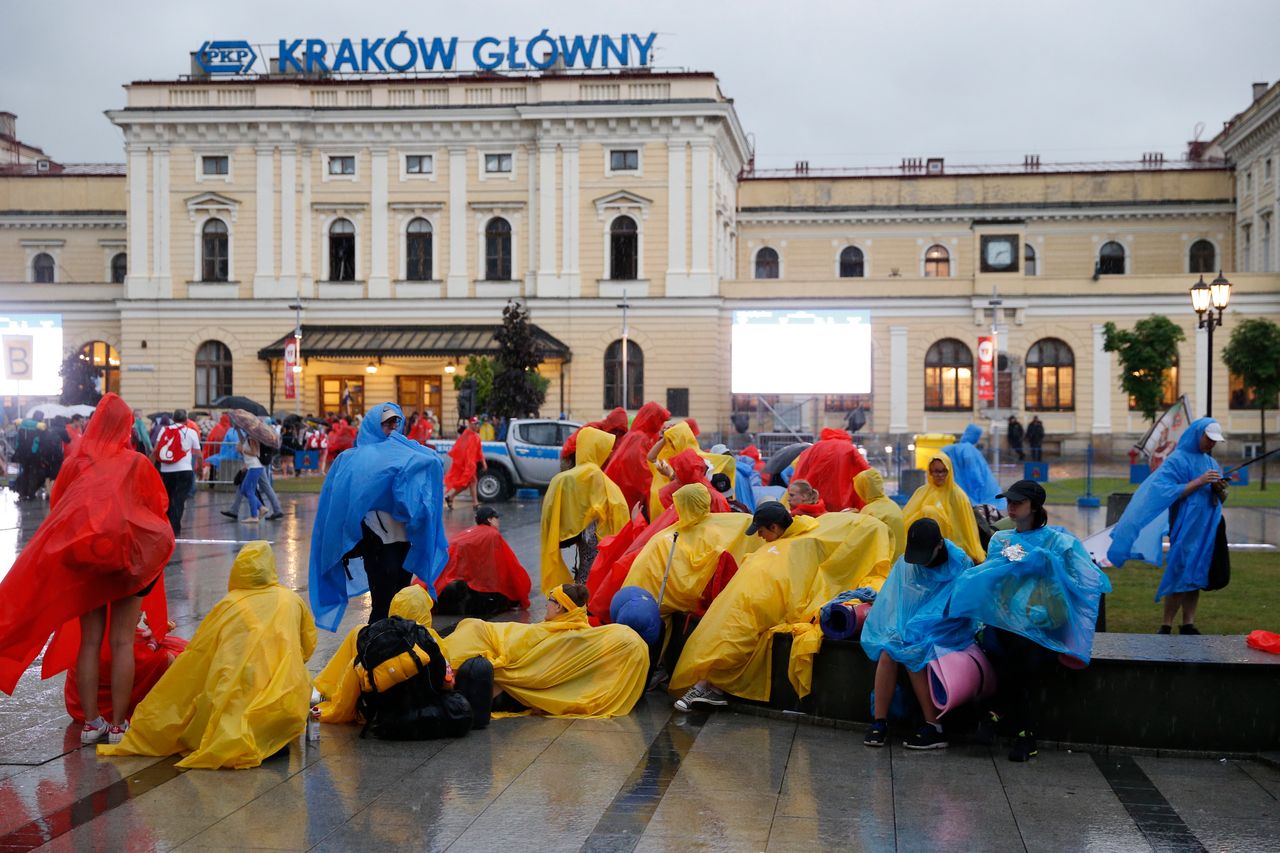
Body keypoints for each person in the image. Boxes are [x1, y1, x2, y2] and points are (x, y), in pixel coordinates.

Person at [0, 393, 175, 746]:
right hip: (129, 563)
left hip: (87, 563)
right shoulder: (136, 462)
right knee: (123, 640)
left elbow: (60, 509)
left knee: (90, 641)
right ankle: (118, 725)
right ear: (126, 428)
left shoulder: (75, 463)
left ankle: (91, 722)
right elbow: (158, 504)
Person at [99, 542, 317, 768]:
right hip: (285, 705)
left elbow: (200, 654)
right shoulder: (290, 599)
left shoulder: (229, 604)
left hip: (235, 699)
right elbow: (308, 646)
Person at [671, 502, 892, 711]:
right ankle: (708, 685)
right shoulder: (792, 537)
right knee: (728, 634)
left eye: (761, 531)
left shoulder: (805, 540)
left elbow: (859, 533)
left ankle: (706, 685)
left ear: (775, 527)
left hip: (764, 600)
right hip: (746, 598)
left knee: (735, 636)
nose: (759, 536)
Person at [950, 480, 1111, 761]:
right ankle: (1024, 732)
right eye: (1008, 502)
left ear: (1035, 507)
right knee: (1012, 653)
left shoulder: (1059, 543)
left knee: (1020, 653)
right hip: (1005, 622)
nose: (1010, 507)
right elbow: (994, 578)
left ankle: (995, 713)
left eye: (1017, 502)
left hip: (1042, 624)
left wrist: (1052, 565)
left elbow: (1088, 580)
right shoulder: (1001, 540)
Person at [309, 402, 449, 631]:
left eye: (396, 422)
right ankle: (375, 648)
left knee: (401, 598)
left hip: (403, 540)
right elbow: (342, 497)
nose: (393, 427)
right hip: (377, 541)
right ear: (374, 425)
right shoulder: (355, 458)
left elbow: (433, 463)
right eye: (387, 423)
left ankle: (397, 648)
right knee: (383, 601)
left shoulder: (408, 453)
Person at [441, 583, 650, 718]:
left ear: (559, 607)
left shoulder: (559, 635)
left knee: (473, 630)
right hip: (498, 656)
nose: (547, 605)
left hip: (498, 661)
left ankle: (442, 673)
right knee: (473, 630)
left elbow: (516, 650)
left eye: (550, 600)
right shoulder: (579, 631)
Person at [861, 518, 977, 750]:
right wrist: (904, 629)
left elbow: (958, 608)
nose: (920, 563)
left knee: (912, 652)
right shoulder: (908, 563)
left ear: (939, 545)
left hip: (951, 629)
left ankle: (934, 726)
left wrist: (918, 627)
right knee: (889, 650)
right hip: (914, 627)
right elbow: (895, 601)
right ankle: (879, 722)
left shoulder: (961, 564)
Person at [1107, 418, 1228, 635]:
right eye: (1209, 439)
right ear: (1197, 434)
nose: (1212, 444)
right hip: (1184, 528)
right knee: (1179, 570)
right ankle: (1166, 623)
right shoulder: (1177, 460)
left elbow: (1221, 498)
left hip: (1206, 529)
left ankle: (1188, 623)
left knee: (1196, 575)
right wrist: (1198, 482)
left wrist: (1219, 489)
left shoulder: (1211, 463)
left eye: (1215, 441)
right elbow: (1163, 491)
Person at [312, 584, 444, 724]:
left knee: (358, 634)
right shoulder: (431, 639)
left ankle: (323, 689)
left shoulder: (378, 637)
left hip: (376, 705)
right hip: (417, 708)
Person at [622, 483, 752, 617]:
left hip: (667, 612)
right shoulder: (728, 526)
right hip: (714, 607)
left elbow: (641, 577)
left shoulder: (664, 539)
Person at [540, 427, 630, 592]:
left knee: (585, 565)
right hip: (596, 533)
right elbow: (618, 508)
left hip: (581, 533)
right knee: (591, 568)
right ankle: (586, 600)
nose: (609, 453)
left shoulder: (567, 477)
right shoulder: (597, 477)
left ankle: (580, 596)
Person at [434, 505, 532, 615]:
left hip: (458, 579)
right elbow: (509, 564)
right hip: (479, 586)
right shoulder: (492, 534)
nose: (498, 521)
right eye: (496, 518)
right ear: (489, 519)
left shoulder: (468, 533)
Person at [903, 455, 985, 561]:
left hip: (952, 547)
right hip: (924, 547)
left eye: (944, 471)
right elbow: (907, 519)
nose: (940, 475)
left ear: (949, 471)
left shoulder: (958, 495)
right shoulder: (922, 492)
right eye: (936, 471)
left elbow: (967, 528)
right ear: (930, 472)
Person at [603, 401, 670, 511]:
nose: (661, 425)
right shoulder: (639, 439)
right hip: (626, 497)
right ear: (653, 420)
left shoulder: (636, 436)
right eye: (660, 421)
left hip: (621, 495)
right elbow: (642, 473)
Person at [790, 427, 871, 511]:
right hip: (841, 499)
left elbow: (801, 467)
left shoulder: (815, 447)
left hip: (815, 497)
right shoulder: (849, 448)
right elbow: (866, 471)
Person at [152, 408, 201, 536]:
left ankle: (168, 526)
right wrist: (199, 469)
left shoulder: (164, 430)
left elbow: (156, 449)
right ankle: (175, 528)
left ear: (173, 419)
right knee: (179, 499)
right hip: (185, 470)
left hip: (167, 470)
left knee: (168, 498)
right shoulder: (191, 432)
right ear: (186, 420)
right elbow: (199, 454)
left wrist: (151, 465)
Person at [942, 424, 1005, 511]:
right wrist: (978, 483)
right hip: (980, 494)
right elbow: (973, 470)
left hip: (959, 490)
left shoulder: (952, 449)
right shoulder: (968, 449)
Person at [854, 468, 906, 561]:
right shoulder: (893, 505)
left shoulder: (868, 511)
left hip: (884, 566)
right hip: (900, 561)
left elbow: (859, 542)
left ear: (863, 490)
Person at [561, 407, 628, 468]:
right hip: (571, 456)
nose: (617, 433)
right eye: (615, 430)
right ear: (610, 426)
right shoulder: (594, 429)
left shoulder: (618, 438)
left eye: (620, 431)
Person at [444, 419, 487, 509]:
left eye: (478, 424)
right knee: (472, 482)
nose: (477, 426)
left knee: (467, 484)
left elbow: (479, 451)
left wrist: (483, 462)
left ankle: (451, 497)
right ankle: (475, 503)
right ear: (470, 424)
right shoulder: (466, 435)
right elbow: (459, 449)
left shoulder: (476, 436)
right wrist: (464, 464)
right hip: (467, 466)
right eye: (475, 424)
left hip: (471, 465)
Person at [235, 432, 267, 523]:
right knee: (243, 489)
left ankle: (254, 516)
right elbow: (242, 440)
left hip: (254, 467)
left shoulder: (252, 438)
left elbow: (254, 452)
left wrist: (242, 450)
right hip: (252, 467)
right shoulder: (248, 437)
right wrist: (237, 429)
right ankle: (261, 507)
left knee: (249, 491)